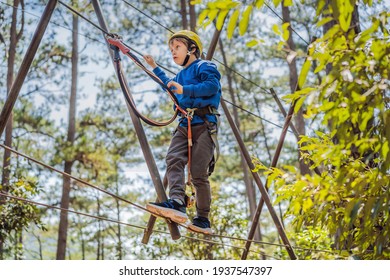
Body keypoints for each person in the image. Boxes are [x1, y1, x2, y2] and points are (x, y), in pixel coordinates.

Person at [144, 30, 222, 234]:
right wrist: (155, 67)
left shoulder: (205, 66)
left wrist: (185, 90)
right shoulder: (179, 76)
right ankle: (177, 201)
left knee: (198, 173)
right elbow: (170, 87)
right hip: (185, 123)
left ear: (192, 48)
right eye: (171, 49)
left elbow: (212, 86)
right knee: (173, 158)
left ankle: (202, 219)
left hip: (204, 123)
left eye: (177, 47)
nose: (173, 52)